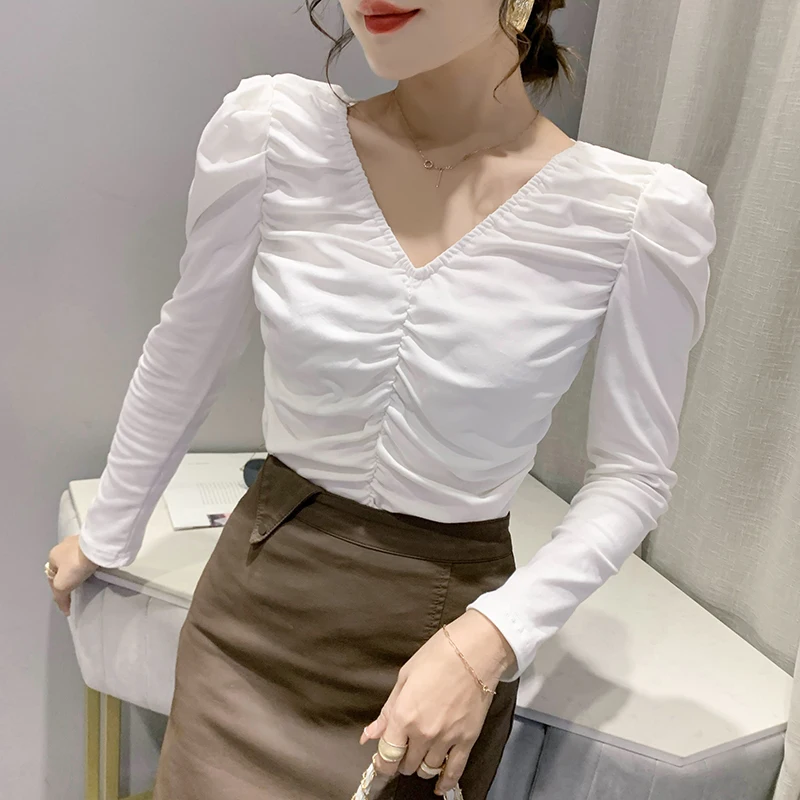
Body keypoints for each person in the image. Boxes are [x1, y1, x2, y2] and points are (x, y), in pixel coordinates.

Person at [44, 0, 717, 797]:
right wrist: (108, 531)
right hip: (251, 618)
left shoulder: (635, 215)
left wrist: (490, 640)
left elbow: (633, 475)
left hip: (440, 650)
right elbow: (188, 347)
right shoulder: (275, 133)